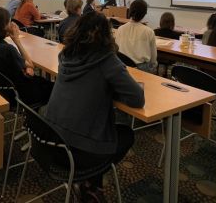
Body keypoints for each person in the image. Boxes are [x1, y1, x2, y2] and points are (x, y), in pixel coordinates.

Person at [45, 12, 144, 201]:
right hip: (79, 154)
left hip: (50, 141)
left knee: (94, 126)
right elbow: (137, 99)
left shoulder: (65, 54)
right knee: (126, 135)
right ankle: (90, 181)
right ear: (107, 34)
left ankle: (90, 184)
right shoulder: (107, 61)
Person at [0, 7, 53, 106]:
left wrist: (26, 68)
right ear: (3, 26)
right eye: (10, 22)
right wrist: (17, 41)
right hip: (20, 94)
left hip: (2, 91)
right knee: (54, 87)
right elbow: (31, 66)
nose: (12, 25)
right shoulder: (7, 49)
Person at [115, 0, 157, 73]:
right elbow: (153, 58)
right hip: (141, 68)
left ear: (130, 11)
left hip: (122, 67)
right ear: (145, 13)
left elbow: (116, 50)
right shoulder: (149, 31)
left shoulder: (120, 29)